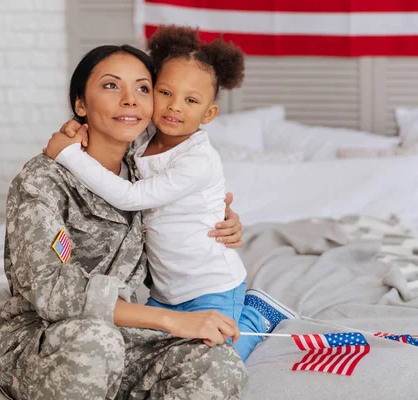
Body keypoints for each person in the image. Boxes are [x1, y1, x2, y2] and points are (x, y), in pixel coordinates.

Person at [0, 43, 248, 400]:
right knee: (98, 341)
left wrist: (224, 218)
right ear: (80, 104)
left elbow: (175, 211)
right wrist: (169, 320)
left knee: (218, 364)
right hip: (49, 342)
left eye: (142, 88)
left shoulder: (142, 170)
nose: (130, 99)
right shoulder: (42, 181)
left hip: (126, 338)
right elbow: (50, 291)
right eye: (111, 86)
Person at [43, 25, 295, 363]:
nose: (175, 107)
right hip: (164, 293)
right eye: (164, 93)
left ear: (209, 114)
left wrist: (68, 155)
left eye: (191, 100)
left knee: (218, 359)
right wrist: (74, 128)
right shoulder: (142, 140)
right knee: (140, 358)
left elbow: (131, 197)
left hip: (212, 286)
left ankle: (256, 314)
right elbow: (110, 126)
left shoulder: (198, 159)